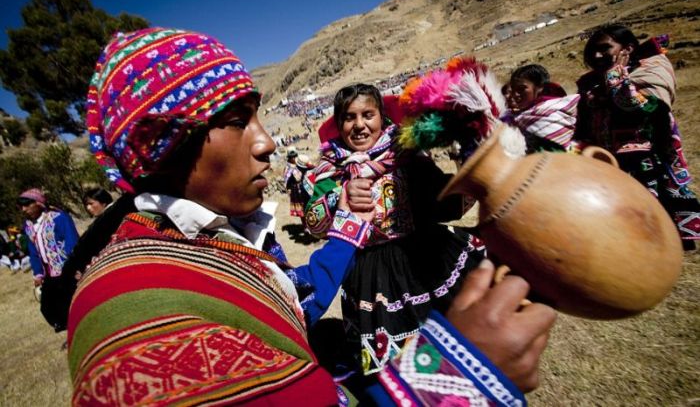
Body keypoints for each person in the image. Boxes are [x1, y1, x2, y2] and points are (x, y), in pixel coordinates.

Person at [64, 27, 554, 406]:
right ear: (161, 147)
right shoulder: (142, 311)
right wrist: (458, 374)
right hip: (372, 276)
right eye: (238, 122)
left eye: (258, 117)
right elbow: (314, 226)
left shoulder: (213, 245)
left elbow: (285, 299)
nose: (267, 142)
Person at [304, 83, 486, 376]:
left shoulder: (407, 154)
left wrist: (471, 173)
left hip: (422, 259)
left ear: (382, 116)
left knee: (451, 342)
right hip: (368, 275)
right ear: (339, 124)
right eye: (349, 117)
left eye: (368, 114)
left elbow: (442, 202)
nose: (360, 125)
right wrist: (340, 199)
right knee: (390, 365)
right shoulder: (330, 170)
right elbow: (313, 225)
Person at [575, 25, 700, 245]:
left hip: (645, 166)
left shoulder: (651, 71)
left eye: (605, 48)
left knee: (649, 229)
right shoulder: (591, 85)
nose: (596, 55)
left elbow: (638, 107)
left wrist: (616, 76)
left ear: (628, 48)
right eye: (592, 50)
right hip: (606, 167)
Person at [501, 64, 579, 153]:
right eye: (513, 90)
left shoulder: (550, 112)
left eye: (521, 89)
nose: (515, 94)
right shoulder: (522, 115)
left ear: (540, 87)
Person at [17, 188, 78, 287]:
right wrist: (38, 273)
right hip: (48, 276)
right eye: (21, 207)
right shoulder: (28, 226)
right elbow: (33, 252)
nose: (24, 209)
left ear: (38, 203)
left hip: (67, 270)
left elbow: (72, 242)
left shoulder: (59, 218)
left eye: (27, 205)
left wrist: (75, 267)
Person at [283, 147, 312, 218]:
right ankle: (305, 226)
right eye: (293, 157)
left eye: (295, 156)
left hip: (303, 187)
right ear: (290, 158)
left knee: (307, 205)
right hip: (296, 190)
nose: (294, 158)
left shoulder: (298, 164)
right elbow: (290, 179)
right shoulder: (288, 168)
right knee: (302, 208)